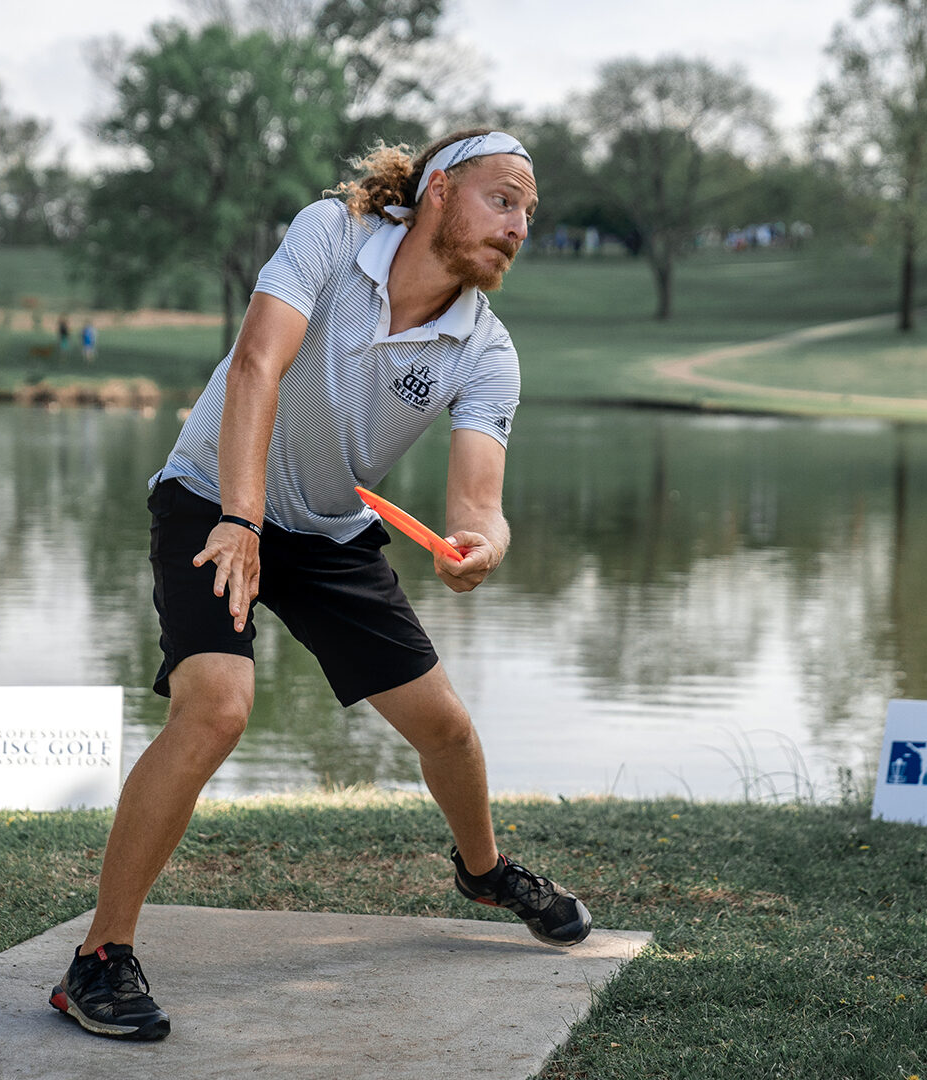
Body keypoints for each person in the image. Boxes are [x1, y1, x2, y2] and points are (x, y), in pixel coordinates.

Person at [48, 128, 591, 1042]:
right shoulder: (331, 236)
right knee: (216, 709)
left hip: (331, 533)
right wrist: (241, 519)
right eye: (504, 199)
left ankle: (485, 869)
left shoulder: (485, 349)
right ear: (440, 192)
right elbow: (259, 364)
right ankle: (99, 959)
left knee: (446, 728)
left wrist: (480, 546)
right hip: (215, 495)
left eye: (530, 214)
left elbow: (480, 503)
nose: (519, 225)